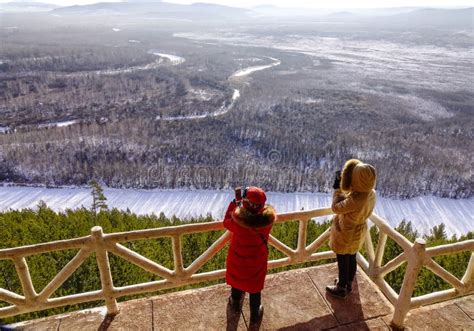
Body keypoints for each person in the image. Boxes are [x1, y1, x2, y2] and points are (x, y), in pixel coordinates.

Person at [223, 186, 276, 324]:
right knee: (255, 287)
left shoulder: (238, 222)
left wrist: (235, 203)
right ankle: (255, 313)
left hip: (237, 259)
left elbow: (226, 221)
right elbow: (259, 213)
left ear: (246, 203)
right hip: (257, 261)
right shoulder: (267, 222)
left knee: (237, 280)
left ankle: (235, 303)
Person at [327, 159, 377, 298]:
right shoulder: (371, 193)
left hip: (347, 231)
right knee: (352, 256)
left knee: (342, 258)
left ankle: (341, 287)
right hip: (359, 230)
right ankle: (349, 282)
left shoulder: (356, 199)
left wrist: (337, 189)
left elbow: (336, 208)